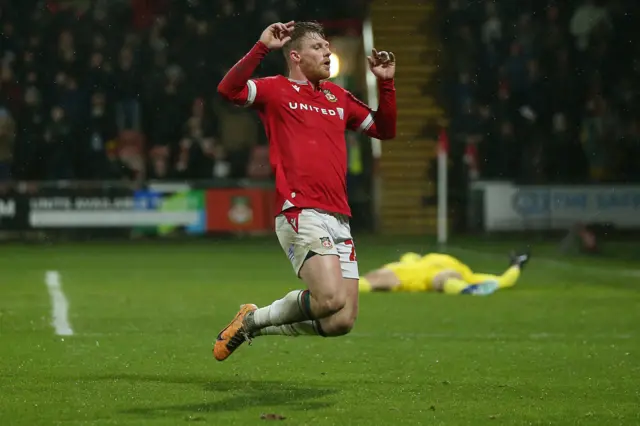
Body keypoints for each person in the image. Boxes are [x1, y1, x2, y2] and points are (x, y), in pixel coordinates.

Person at [214, 21, 397, 361]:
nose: (328, 52)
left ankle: (251, 322)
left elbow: (385, 129)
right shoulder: (275, 90)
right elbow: (228, 90)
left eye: (329, 47)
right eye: (318, 47)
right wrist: (261, 47)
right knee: (328, 299)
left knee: (341, 320)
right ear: (295, 56)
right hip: (301, 210)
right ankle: (253, 320)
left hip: (339, 217)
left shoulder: (337, 97)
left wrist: (385, 84)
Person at [358, 251, 530, 296]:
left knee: (442, 279)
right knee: (444, 278)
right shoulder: (415, 260)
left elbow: (504, 281)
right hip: (407, 274)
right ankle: (463, 289)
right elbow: (504, 281)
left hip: (409, 275)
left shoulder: (467, 274)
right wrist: (516, 265)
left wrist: (516, 265)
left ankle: (464, 289)